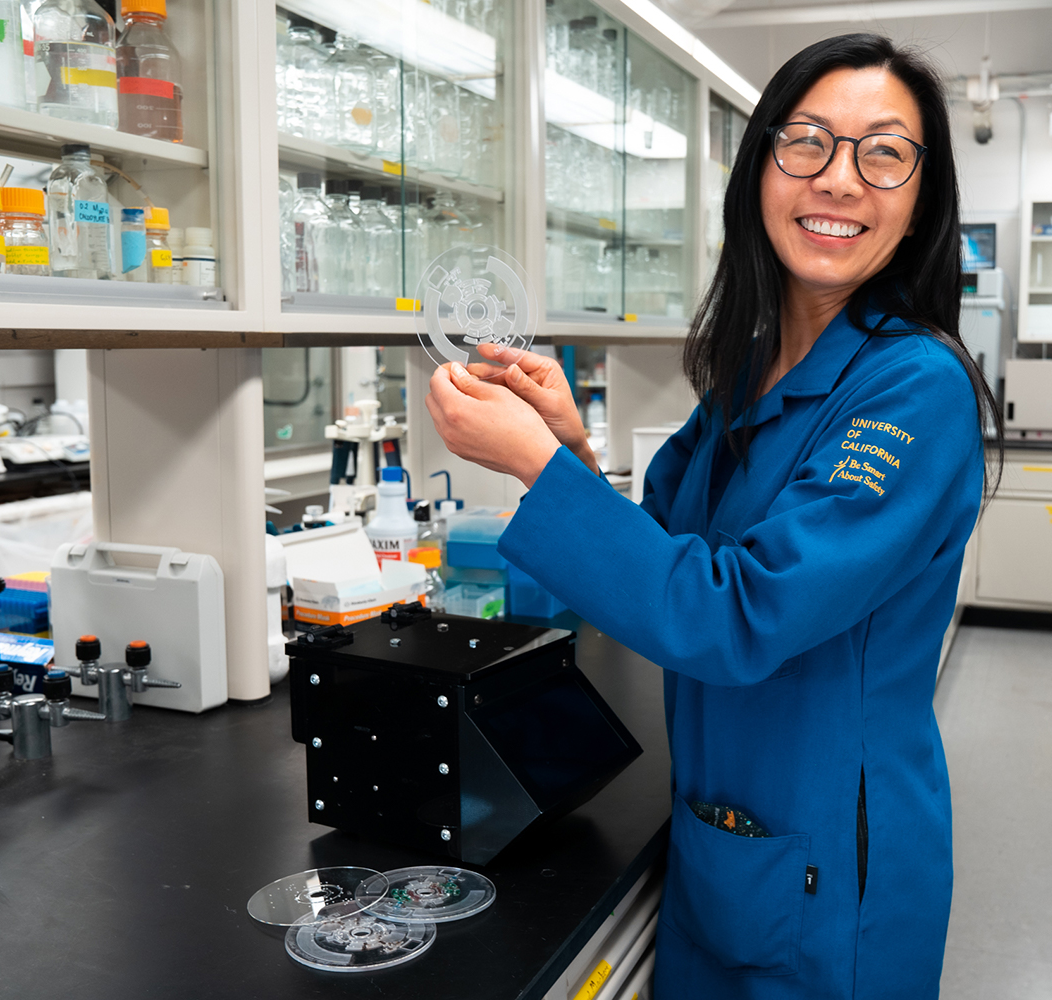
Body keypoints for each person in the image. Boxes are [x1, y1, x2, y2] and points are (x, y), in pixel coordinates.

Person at [426, 33, 1000, 1000]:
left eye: (884, 153)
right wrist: (568, 449)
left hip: (829, 863)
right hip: (729, 840)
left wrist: (528, 466)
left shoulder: (914, 388)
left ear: (921, 201)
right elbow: (664, 557)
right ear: (760, 168)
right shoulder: (752, 369)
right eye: (808, 141)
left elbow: (734, 618)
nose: (841, 180)